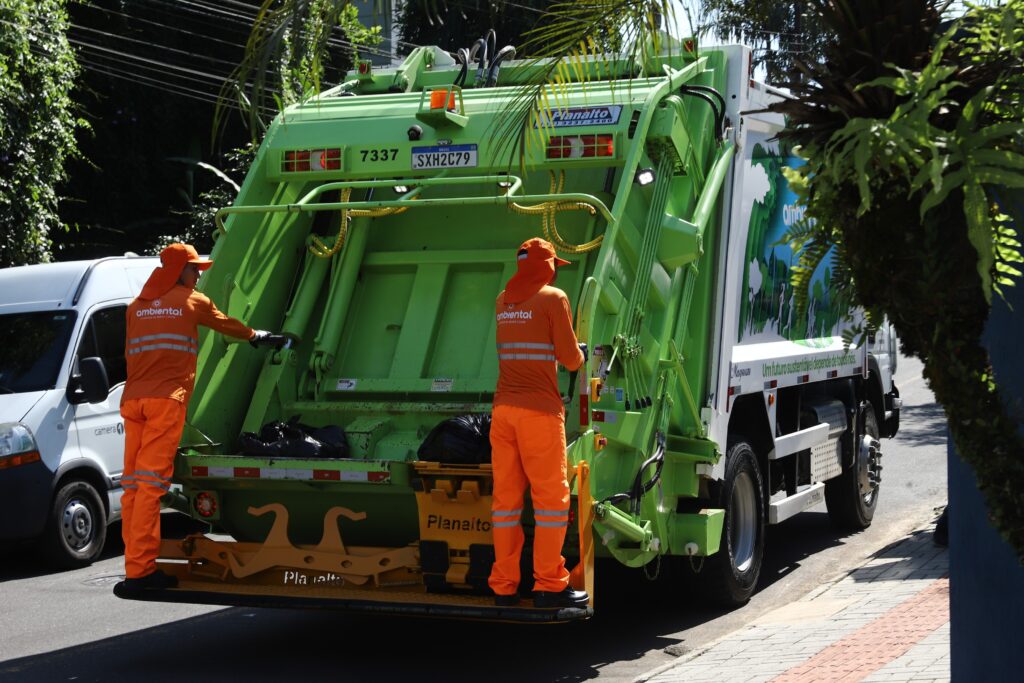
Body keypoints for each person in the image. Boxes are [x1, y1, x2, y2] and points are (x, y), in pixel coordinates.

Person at [118, 243, 282, 592]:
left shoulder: (136, 307)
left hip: (133, 401)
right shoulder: (191, 302)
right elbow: (226, 325)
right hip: (165, 402)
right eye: (194, 270)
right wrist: (256, 336)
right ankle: (142, 573)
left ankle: (135, 568)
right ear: (179, 270)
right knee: (150, 487)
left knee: (133, 488)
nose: (198, 276)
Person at [489, 237, 590, 609]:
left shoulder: (502, 300)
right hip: (539, 413)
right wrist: (579, 352)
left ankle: (503, 586)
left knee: (506, 503)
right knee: (550, 502)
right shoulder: (553, 298)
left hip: (503, 412)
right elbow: (570, 358)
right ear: (546, 266)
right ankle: (549, 584)